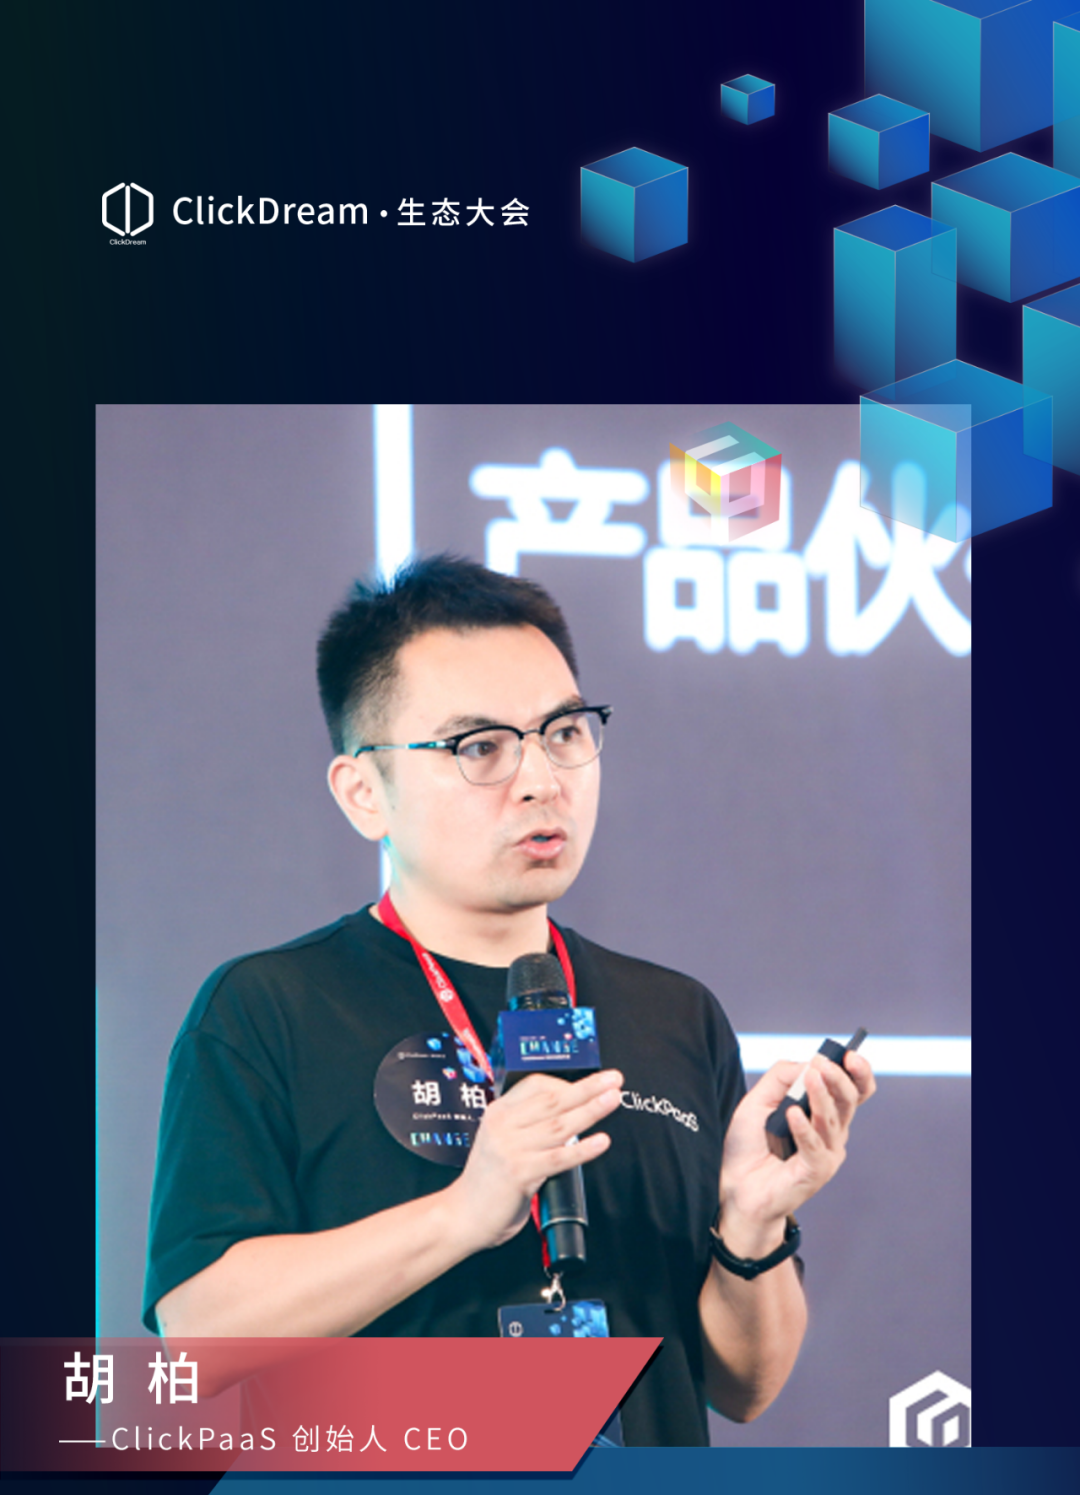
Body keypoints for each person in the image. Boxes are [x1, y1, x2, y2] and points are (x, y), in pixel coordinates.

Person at [144, 555, 874, 1444]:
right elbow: (201, 1334)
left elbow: (744, 1386)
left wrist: (752, 1223)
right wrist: (465, 1212)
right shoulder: (271, 1009)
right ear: (364, 794)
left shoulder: (676, 1016)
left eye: (563, 732)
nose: (541, 779)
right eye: (480, 748)